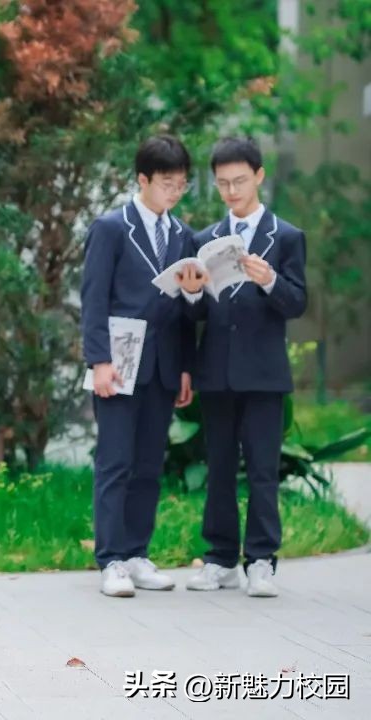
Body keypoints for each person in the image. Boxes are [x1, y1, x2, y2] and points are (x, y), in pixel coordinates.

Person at [177, 137, 307, 598]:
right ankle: (219, 559)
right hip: (217, 372)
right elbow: (194, 316)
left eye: (239, 181)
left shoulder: (286, 237)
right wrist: (192, 292)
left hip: (264, 374)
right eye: (222, 183)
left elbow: (297, 303)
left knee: (263, 471)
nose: (231, 191)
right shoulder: (203, 239)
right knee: (218, 468)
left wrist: (270, 279)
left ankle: (262, 561)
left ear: (259, 176)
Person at [80, 135, 197, 598]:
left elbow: (187, 314)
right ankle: (110, 560)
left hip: (165, 365)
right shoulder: (110, 228)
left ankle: (136, 553)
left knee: (149, 464)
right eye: (167, 183)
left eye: (181, 185)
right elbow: (93, 299)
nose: (174, 192)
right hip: (119, 360)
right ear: (143, 180)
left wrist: (186, 367)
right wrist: (99, 361)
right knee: (115, 461)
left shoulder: (183, 235)